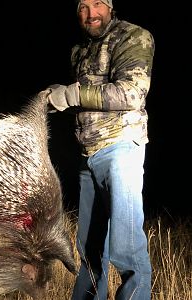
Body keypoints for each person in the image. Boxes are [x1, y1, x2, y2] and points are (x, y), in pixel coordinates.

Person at [43, 0, 155, 299]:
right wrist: (58, 100)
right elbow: (85, 101)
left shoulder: (133, 36)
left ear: (110, 6)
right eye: (83, 6)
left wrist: (72, 93)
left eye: (97, 4)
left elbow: (131, 93)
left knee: (126, 247)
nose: (91, 14)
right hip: (87, 154)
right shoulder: (79, 50)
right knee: (89, 248)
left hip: (121, 147)